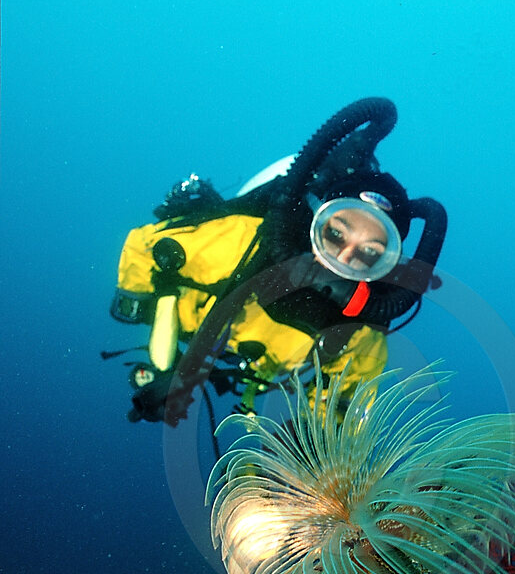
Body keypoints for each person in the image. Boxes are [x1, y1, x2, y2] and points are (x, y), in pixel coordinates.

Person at [108, 98, 447, 427]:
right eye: (336, 234)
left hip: (258, 365)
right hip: (193, 324)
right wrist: (137, 302)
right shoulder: (243, 240)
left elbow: (349, 398)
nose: (341, 259)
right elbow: (146, 244)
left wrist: (310, 441)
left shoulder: (363, 326)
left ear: (384, 266)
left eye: (369, 253)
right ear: (315, 221)